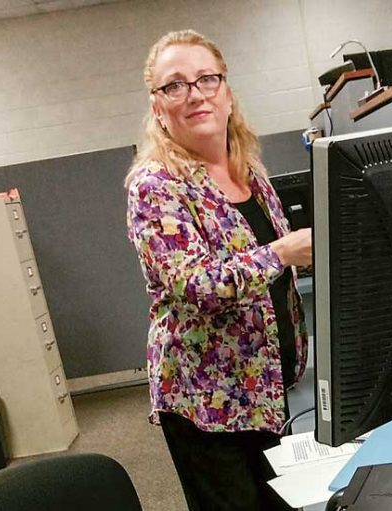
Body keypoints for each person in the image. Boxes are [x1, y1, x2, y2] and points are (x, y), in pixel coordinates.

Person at [125, 29, 311, 511]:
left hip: (265, 387)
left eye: (207, 79)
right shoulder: (155, 186)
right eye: (175, 85)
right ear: (157, 106)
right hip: (206, 401)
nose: (195, 94)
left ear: (226, 92)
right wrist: (283, 253)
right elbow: (194, 284)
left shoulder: (250, 172)